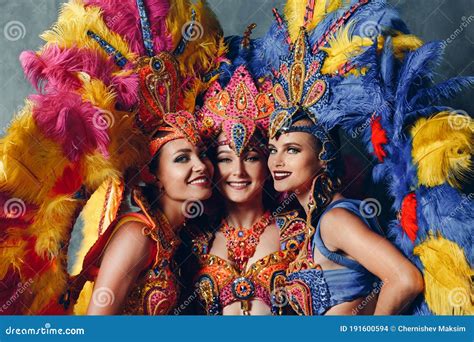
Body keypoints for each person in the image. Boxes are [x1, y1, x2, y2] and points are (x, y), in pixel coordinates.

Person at [258, 1, 425, 315]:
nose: (277, 161)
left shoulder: (336, 219)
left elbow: (405, 279)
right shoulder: (314, 221)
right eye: (272, 150)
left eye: (292, 150)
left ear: (323, 157)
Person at [187, 35, 306, 315]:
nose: (238, 172)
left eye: (251, 158)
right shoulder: (195, 237)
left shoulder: (299, 231)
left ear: (269, 163)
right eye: (225, 159)